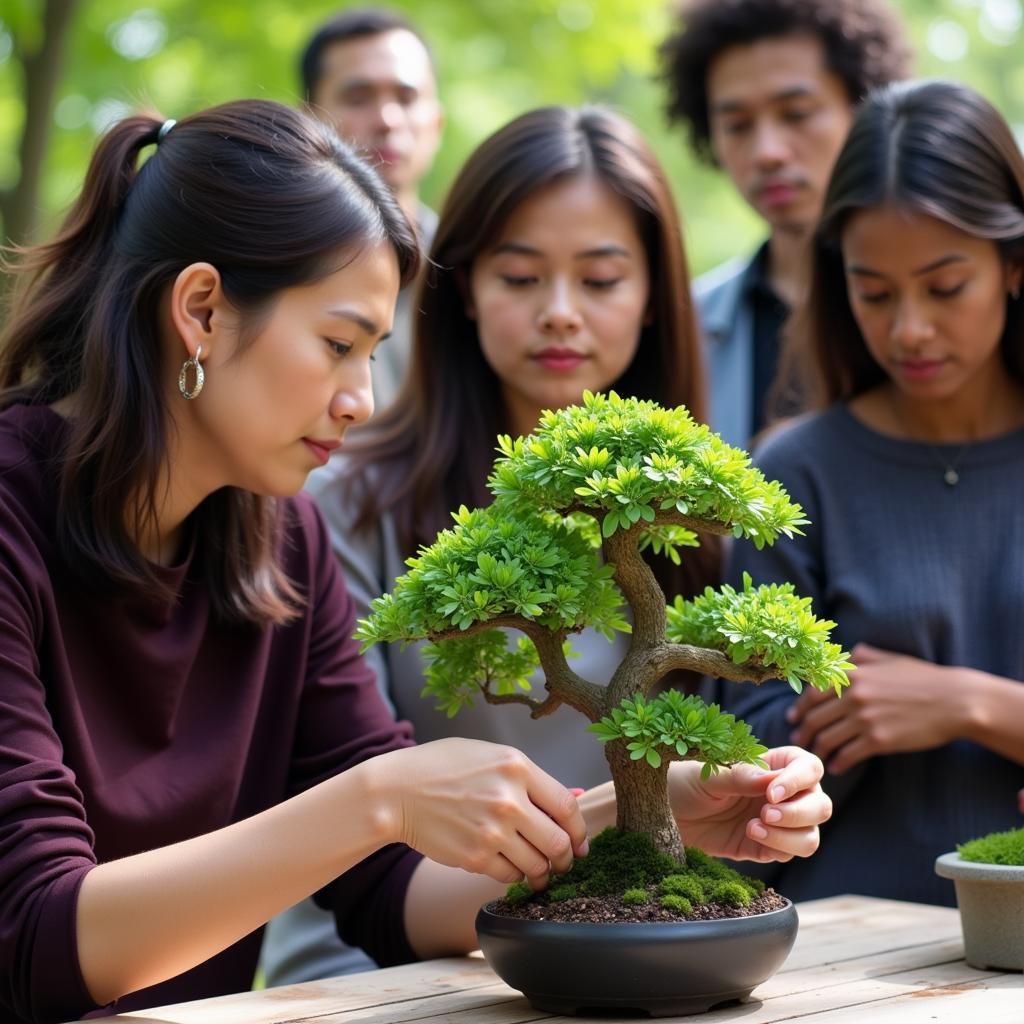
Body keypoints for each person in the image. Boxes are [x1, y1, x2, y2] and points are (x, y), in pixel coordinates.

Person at [0, 98, 830, 1024]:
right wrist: (378, 799)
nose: (359, 398)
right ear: (200, 311)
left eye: (374, 353)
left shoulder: (281, 542)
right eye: (338, 344)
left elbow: (398, 899)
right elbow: (35, 936)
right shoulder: (12, 518)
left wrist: (635, 811)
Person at [260, 103, 810, 986]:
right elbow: (351, 852)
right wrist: (615, 818)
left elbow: (718, 785)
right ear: (465, 287)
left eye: (600, 281)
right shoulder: (344, 503)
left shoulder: (703, 511)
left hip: (620, 963)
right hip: (372, 975)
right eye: (520, 278)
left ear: (656, 300)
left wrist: (767, 788)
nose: (560, 314)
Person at [717, 79, 1024, 906]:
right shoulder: (796, 474)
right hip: (841, 960)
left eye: (945, 286)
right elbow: (733, 776)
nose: (910, 330)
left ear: (1014, 265)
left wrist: (970, 704)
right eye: (875, 292)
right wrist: (819, 731)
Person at [659, 0, 910, 446]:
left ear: (865, 107)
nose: (767, 152)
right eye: (737, 125)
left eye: (796, 114)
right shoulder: (684, 328)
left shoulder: (934, 312)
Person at [301, 8, 444, 410]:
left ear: (437, 124)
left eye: (407, 96)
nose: (387, 119)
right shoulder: (271, 266)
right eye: (358, 97)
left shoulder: (474, 269)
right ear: (309, 120)